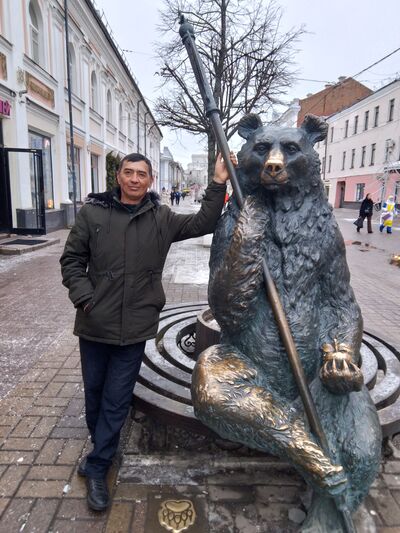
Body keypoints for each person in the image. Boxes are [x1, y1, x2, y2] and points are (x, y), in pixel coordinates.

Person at [60, 151, 233, 512]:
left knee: (117, 397)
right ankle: (102, 450)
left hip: (136, 326)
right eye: (129, 172)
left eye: (142, 174)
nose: (135, 179)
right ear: (118, 177)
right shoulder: (92, 213)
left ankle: (98, 467)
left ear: (150, 180)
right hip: (95, 323)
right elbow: (72, 260)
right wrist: (85, 298)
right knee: (95, 394)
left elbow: (204, 222)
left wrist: (219, 181)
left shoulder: (161, 218)